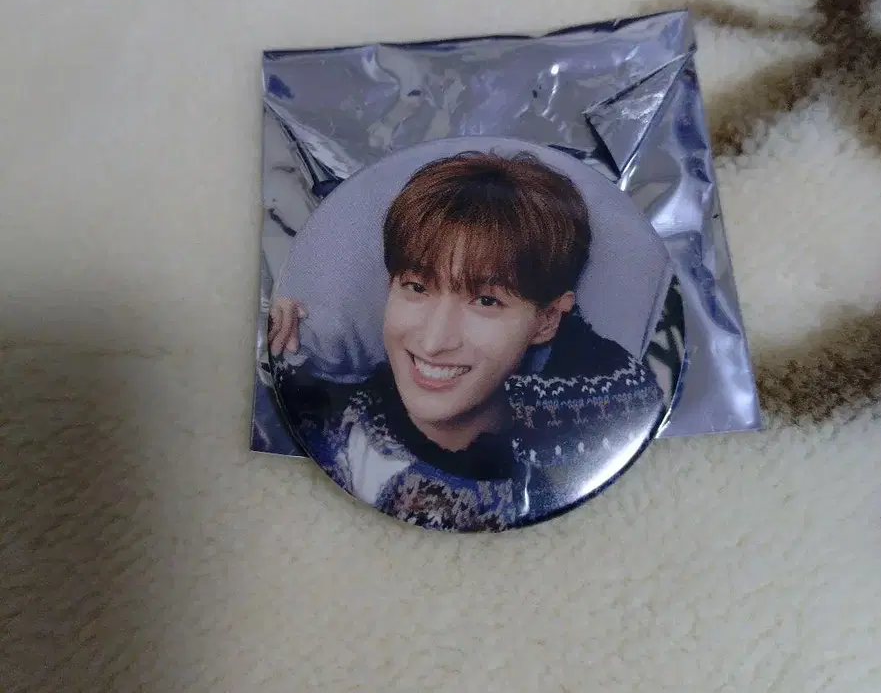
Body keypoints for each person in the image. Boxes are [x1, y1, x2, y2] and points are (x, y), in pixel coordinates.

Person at [268, 151, 664, 531]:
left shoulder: (598, 432)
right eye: (417, 287)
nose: (434, 341)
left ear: (546, 321)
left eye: (486, 301)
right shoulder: (316, 417)